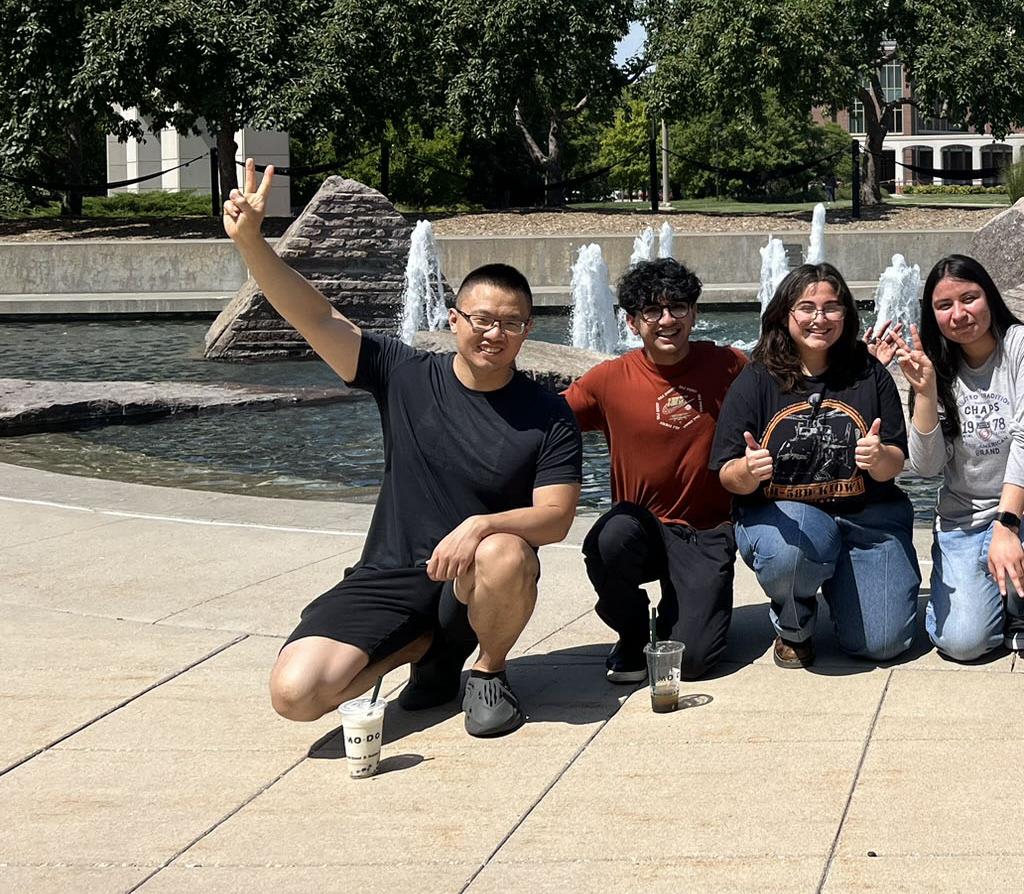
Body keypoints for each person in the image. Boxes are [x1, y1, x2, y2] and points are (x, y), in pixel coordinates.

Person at [227, 162, 581, 739]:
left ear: (528, 329)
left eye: (511, 323)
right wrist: (251, 242)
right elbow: (316, 316)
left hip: (471, 579)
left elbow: (556, 517)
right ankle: (421, 650)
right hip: (389, 574)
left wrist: (480, 525)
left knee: (505, 553)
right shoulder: (404, 373)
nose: (494, 333)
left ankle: (487, 671)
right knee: (295, 694)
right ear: (454, 319)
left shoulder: (548, 413)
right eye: (481, 319)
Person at [710, 263, 919, 668]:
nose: (819, 319)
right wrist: (748, 471)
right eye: (807, 307)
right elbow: (727, 475)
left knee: (882, 644)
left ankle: (844, 583)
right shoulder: (757, 379)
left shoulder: (869, 373)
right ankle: (794, 624)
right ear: (785, 314)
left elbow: (894, 461)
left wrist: (878, 458)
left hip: (867, 520)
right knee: (795, 553)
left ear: (846, 314)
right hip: (786, 521)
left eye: (831, 307)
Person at [568, 257, 747, 685]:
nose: (667, 320)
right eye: (652, 310)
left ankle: (679, 609)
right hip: (641, 531)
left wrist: (856, 363)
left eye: (678, 307)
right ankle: (631, 631)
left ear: (694, 313)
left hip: (705, 532)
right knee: (610, 537)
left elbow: (788, 384)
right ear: (632, 323)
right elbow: (545, 421)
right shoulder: (608, 380)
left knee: (692, 662)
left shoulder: (731, 366)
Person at [888, 255, 1024, 660]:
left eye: (969, 298)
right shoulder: (936, 367)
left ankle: (1022, 608)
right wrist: (926, 393)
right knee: (963, 644)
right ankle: (985, 592)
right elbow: (927, 467)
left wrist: (1007, 525)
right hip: (964, 516)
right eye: (944, 305)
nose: (959, 314)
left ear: (990, 296)